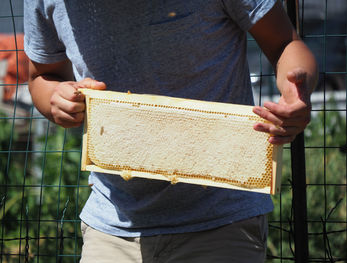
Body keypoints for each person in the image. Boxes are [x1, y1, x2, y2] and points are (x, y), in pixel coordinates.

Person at [24, 0, 318, 262]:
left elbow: (285, 44)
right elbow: (41, 75)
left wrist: (296, 92)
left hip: (222, 227)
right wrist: (55, 98)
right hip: (111, 226)